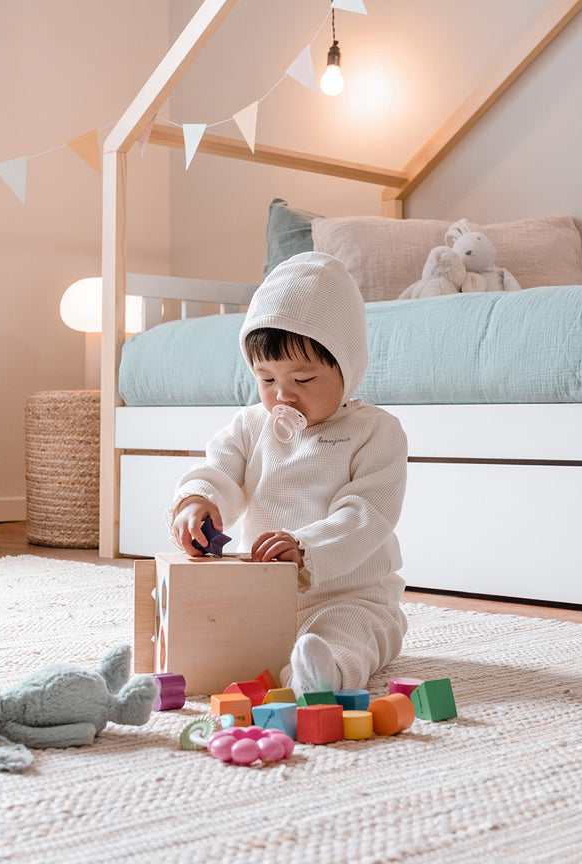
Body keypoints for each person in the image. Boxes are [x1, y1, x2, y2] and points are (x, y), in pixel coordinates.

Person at [169, 251, 408, 693]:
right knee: (214, 625)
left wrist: (307, 548)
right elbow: (219, 468)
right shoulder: (251, 426)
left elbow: (367, 513)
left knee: (350, 632)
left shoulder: (374, 431)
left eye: (303, 380)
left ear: (347, 368)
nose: (284, 396)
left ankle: (323, 674)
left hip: (349, 594)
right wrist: (198, 499)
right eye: (266, 379)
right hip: (262, 593)